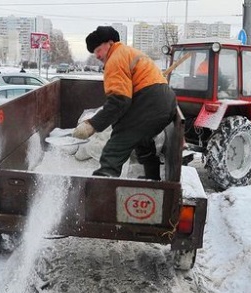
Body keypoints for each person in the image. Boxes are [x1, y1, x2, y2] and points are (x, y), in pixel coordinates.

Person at [72, 26, 177, 180]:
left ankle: (101, 190)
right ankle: (153, 180)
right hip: (165, 101)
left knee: (115, 147)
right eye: (94, 53)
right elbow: (126, 102)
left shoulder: (115, 59)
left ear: (109, 43)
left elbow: (119, 102)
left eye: (98, 49)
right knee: (141, 139)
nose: (97, 55)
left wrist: (91, 125)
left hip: (150, 102)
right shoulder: (128, 52)